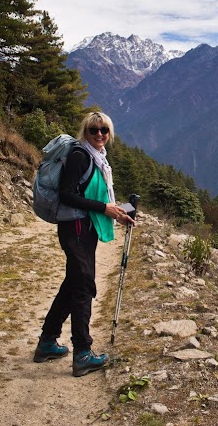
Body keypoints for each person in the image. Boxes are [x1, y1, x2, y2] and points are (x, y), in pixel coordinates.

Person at [33, 112, 135, 377]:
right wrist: (105, 208)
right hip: (76, 228)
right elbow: (67, 195)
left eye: (104, 130)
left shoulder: (97, 158)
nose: (99, 134)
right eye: (93, 130)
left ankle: (47, 343)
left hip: (83, 228)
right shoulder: (80, 156)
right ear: (85, 132)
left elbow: (96, 196)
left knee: (73, 285)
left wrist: (118, 212)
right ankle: (82, 353)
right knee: (83, 287)